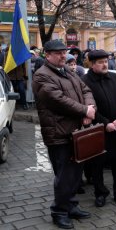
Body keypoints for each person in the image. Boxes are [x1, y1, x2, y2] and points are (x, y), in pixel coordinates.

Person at [32, 40, 95, 229]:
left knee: (75, 173)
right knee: (64, 176)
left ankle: (71, 206)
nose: (63, 56)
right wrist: (84, 111)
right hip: (58, 134)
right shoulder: (41, 75)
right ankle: (59, 212)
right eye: (58, 53)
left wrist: (89, 108)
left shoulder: (67, 71)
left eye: (64, 52)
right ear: (47, 55)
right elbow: (57, 100)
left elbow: (86, 90)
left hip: (75, 131)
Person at [82, 49, 116, 208]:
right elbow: (88, 107)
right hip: (98, 129)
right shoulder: (85, 81)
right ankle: (100, 193)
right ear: (92, 64)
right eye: (100, 62)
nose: (105, 65)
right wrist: (105, 123)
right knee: (97, 164)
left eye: (106, 61)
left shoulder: (115, 77)